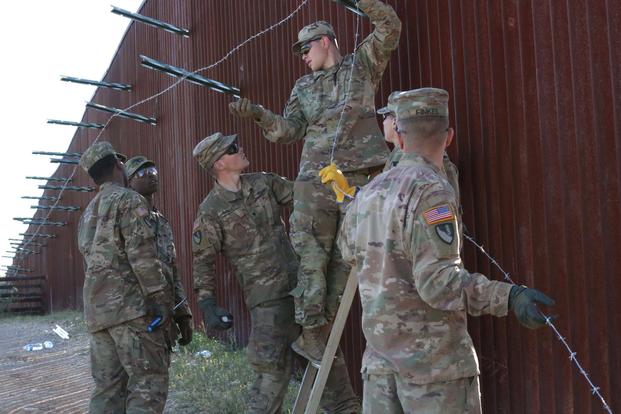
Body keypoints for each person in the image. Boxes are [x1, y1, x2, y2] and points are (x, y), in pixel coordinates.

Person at [337, 88, 555, 413]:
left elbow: (348, 251)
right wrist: (510, 296)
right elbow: (439, 285)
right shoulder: (431, 192)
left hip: (380, 369)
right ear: (449, 137)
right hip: (434, 374)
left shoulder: (369, 192)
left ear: (399, 134)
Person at [229, 0, 402, 364]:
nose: (303, 56)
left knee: (346, 260)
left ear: (325, 42)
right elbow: (288, 132)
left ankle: (323, 335)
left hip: (359, 181)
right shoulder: (302, 88)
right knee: (311, 260)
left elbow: (390, 29)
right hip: (314, 181)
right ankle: (311, 334)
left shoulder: (362, 65)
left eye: (306, 48)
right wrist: (258, 115)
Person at [191, 133, 360, 413]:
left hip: (302, 292)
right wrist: (207, 303)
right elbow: (202, 260)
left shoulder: (263, 183)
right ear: (219, 163)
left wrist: (333, 185)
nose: (241, 148)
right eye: (233, 148)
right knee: (269, 381)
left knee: (331, 367)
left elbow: (304, 197)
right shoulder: (211, 211)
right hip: (267, 304)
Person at [77, 141, 173, 413]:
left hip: (98, 316)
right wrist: (160, 299)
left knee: (107, 390)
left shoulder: (87, 214)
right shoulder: (129, 200)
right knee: (148, 385)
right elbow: (142, 255)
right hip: (131, 311)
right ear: (119, 165)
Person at [125, 156, 193, 348]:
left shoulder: (161, 222)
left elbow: (172, 268)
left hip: (165, 312)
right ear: (130, 182)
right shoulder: (126, 219)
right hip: (140, 313)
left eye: (153, 172)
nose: (151, 177)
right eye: (142, 173)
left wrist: (183, 312)